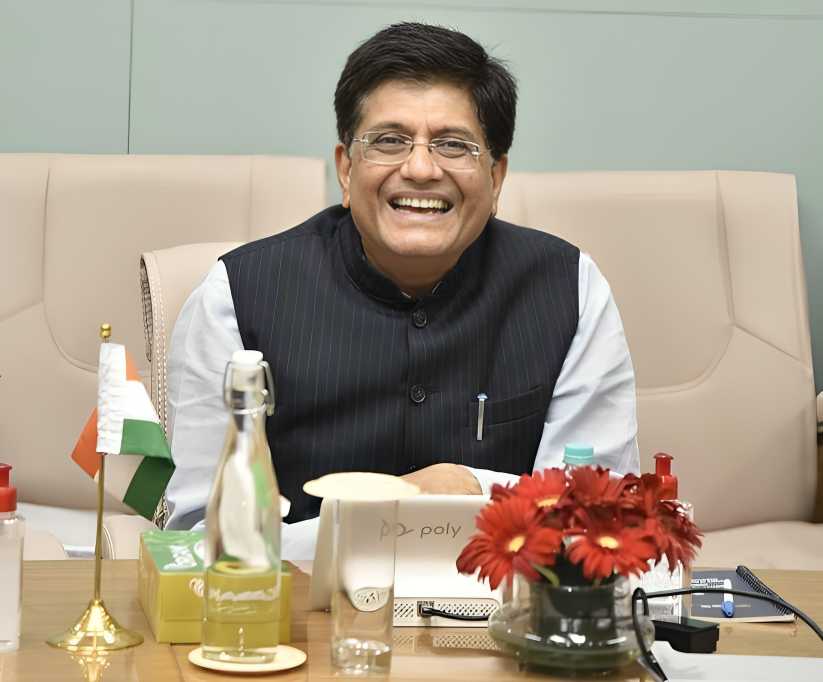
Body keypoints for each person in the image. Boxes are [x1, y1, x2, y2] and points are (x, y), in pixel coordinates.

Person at [164, 22, 639, 557]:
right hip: (298, 606)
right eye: (389, 141)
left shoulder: (570, 288)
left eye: (453, 145)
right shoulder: (235, 295)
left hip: (502, 606)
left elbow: (600, 522)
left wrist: (472, 488)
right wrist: (385, 516)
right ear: (346, 170)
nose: (420, 168)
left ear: (496, 177)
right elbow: (197, 542)